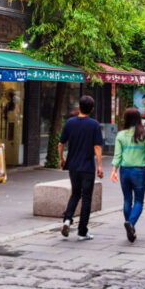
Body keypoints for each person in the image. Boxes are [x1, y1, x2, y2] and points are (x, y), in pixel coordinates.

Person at [58, 95, 104, 241]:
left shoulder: (70, 123)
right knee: (86, 198)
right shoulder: (94, 124)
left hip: (73, 165)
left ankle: (67, 219)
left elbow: (61, 143)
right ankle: (82, 231)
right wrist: (100, 166)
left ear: (78, 107)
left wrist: (61, 158)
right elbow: (97, 146)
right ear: (91, 109)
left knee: (75, 193)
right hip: (87, 166)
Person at [110, 107, 145, 243]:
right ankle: (130, 223)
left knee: (126, 200)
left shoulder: (120, 135)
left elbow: (117, 156)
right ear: (138, 119)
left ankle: (131, 228)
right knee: (138, 201)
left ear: (126, 119)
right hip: (139, 171)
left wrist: (114, 170)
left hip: (124, 170)